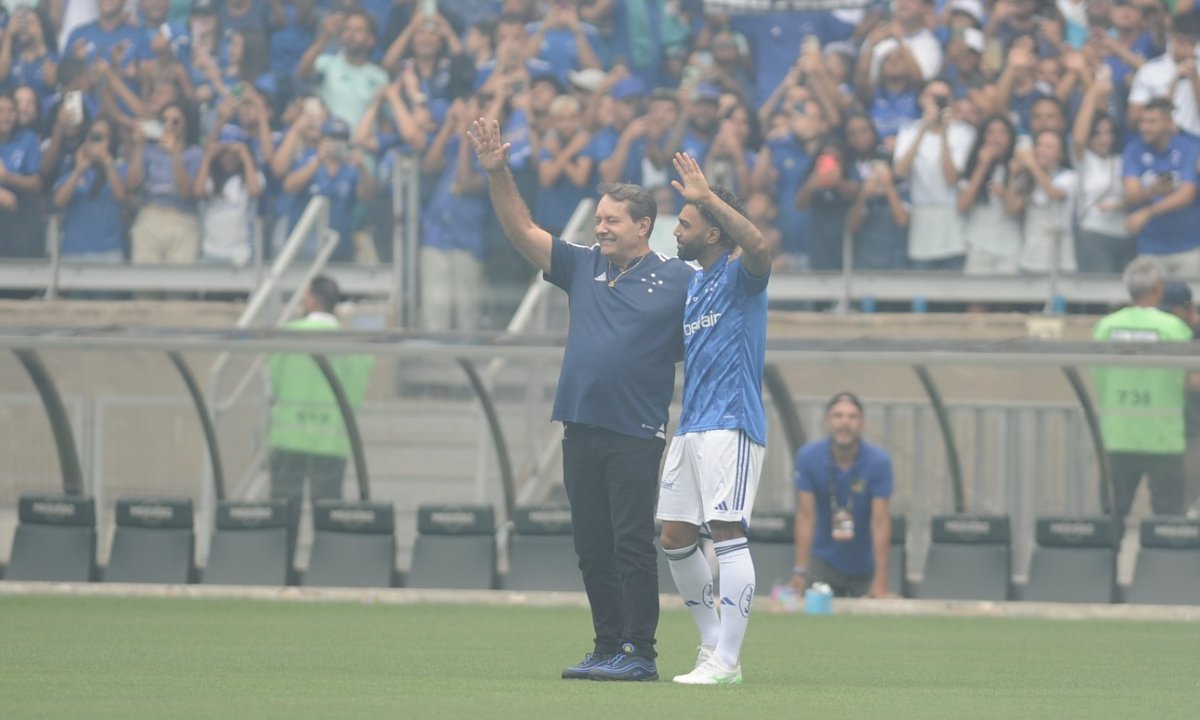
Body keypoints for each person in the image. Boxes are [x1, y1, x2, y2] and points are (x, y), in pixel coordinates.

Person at [470, 115, 693, 682]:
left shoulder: (679, 278)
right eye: (598, 219)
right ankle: (605, 646)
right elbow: (522, 229)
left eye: (612, 220)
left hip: (636, 433)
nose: (601, 228)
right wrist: (498, 172)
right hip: (580, 428)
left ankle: (639, 653)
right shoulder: (583, 264)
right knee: (592, 548)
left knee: (631, 547)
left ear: (645, 225)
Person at [657, 152, 771, 686]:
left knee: (727, 532)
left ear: (713, 232)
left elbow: (761, 248)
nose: (676, 229)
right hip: (693, 425)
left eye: (687, 221)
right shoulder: (696, 284)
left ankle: (728, 662)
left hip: (731, 421)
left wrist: (711, 200)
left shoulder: (740, 275)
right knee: (676, 536)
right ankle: (710, 645)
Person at [267, 275, 374, 547]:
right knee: (328, 514)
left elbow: (273, 380)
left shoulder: (286, 335)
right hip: (332, 438)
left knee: (282, 514)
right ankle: (326, 570)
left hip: (288, 436)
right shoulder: (354, 344)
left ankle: (280, 570)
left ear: (312, 299)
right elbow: (357, 389)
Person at [1093, 257, 1192, 528]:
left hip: (1118, 435)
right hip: (1162, 437)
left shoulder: (1105, 327)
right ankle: (1168, 570)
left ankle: (1105, 569)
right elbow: (1190, 380)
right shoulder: (1172, 328)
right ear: (1158, 287)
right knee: (1169, 519)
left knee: (1111, 516)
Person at [790, 392, 895, 599]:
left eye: (852, 416)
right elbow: (805, 516)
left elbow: (880, 521)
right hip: (823, 561)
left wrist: (881, 579)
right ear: (827, 422)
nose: (844, 422)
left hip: (865, 563)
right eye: (838, 416)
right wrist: (800, 572)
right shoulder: (808, 457)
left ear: (862, 423)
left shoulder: (879, 462)